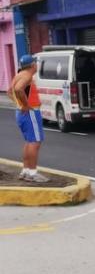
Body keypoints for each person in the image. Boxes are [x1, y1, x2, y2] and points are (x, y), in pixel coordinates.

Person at [7, 55, 49, 183]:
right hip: (30, 113)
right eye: (36, 63)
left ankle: (25, 171)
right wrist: (25, 105)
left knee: (29, 141)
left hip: (22, 113)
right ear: (32, 65)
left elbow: (10, 91)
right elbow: (18, 89)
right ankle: (33, 173)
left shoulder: (19, 74)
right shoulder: (27, 76)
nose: (37, 65)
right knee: (35, 142)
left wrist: (19, 104)